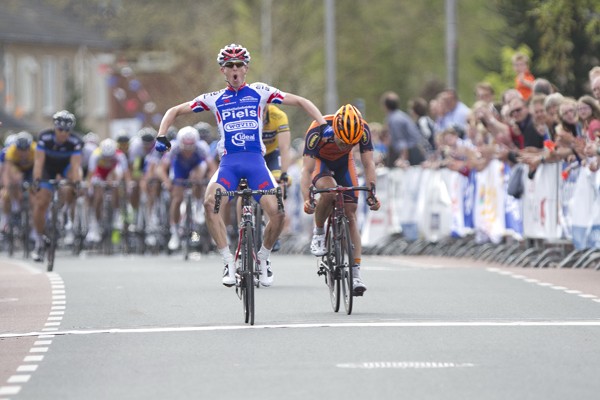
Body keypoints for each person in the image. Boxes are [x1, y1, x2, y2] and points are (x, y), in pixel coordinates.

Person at [153, 43, 331, 287]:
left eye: (239, 65)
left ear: (246, 68)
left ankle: (264, 258)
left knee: (278, 212)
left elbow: (300, 101)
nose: (235, 69)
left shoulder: (260, 92)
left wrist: (322, 124)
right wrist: (162, 135)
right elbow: (174, 110)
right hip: (229, 165)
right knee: (209, 203)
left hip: (256, 163)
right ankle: (227, 260)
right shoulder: (215, 99)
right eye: (229, 65)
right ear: (222, 71)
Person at [301, 104, 380, 296]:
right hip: (321, 162)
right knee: (329, 193)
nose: (345, 146)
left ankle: (355, 274)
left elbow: (369, 163)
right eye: (342, 141)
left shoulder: (363, 129)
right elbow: (306, 170)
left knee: (351, 212)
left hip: (345, 163)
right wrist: (307, 198)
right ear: (335, 130)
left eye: (350, 144)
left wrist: (372, 193)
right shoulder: (317, 129)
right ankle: (319, 232)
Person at [31, 110, 83, 261]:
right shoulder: (44, 137)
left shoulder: (75, 141)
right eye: (60, 129)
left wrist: (77, 182)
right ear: (55, 127)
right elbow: (39, 162)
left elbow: (75, 166)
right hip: (48, 168)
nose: (63, 133)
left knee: (70, 185)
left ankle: (64, 212)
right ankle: (39, 241)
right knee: (41, 202)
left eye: (67, 130)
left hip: (65, 167)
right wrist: (37, 180)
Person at [155, 125, 211, 251]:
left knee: (197, 178)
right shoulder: (173, 147)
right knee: (177, 198)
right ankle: (174, 231)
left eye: (191, 148)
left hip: (196, 167)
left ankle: (197, 205)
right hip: (179, 170)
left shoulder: (202, 147)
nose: (188, 151)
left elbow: (211, 167)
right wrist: (167, 182)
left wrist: (210, 182)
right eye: (185, 148)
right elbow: (161, 169)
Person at [84, 138, 131, 243]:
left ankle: (116, 215)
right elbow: (90, 175)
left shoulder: (119, 155)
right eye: (105, 157)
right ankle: (95, 225)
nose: (107, 160)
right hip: (99, 173)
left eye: (110, 157)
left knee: (116, 186)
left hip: (113, 172)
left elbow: (125, 172)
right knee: (98, 196)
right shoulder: (95, 154)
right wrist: (90, 187)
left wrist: (128, 186)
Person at [380, 91, 424, 167]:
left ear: (385, 106)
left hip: (411, 152)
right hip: (413, 149)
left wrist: (403, 159)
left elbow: (401, 141)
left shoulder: (395, 120)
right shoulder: (400, 116)